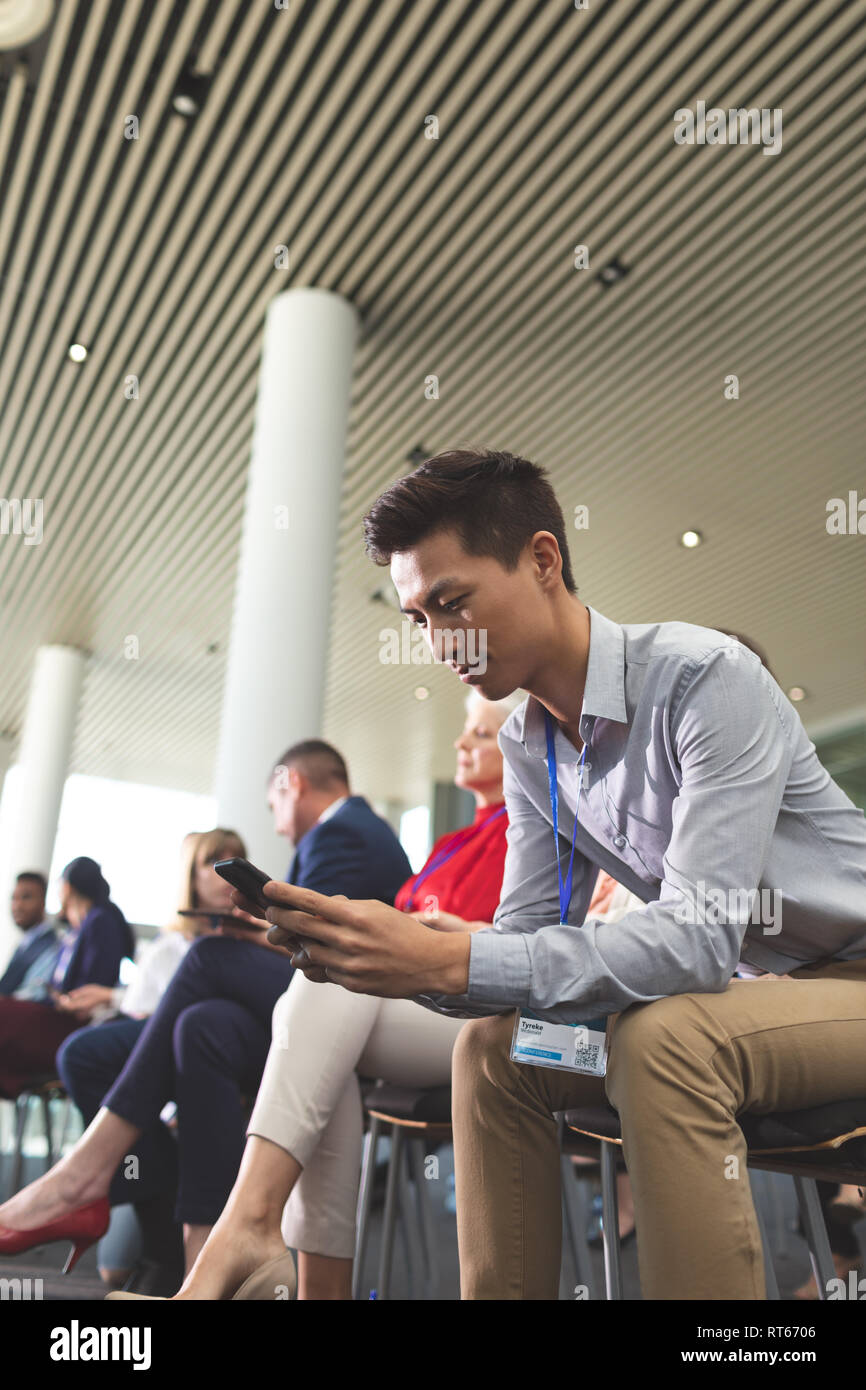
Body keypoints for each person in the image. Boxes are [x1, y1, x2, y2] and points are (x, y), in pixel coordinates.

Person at [250, 446, 866, 1301]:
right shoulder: (527, 745)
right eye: (419, 618)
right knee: (495, 1050)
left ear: (543, 560)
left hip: (850, 980)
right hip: (751, 994)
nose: (439, 642)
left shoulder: (705, 680)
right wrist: (399, 955)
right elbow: (526, 953)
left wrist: (449, 960)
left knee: (667, 1037)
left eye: (452, 602)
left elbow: (693, 937)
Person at [109, 688, 518, 1301]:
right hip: (417, 996)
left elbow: (533, 941)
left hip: (486, 1000)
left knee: (312, 978)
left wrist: (441, 934)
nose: (461, 743)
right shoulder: (452, 843)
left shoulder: (529, 831)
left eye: (481, 734)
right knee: (264, 1013)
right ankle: (279, 1262)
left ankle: (243, 1236)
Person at [0, 741, 411, 1278]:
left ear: (295, 784)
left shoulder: (343, 831)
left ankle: (85, 1176)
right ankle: (201, 1255)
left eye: (275, 807)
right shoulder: (348, 833)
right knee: (202, 1025)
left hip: (345, 1008)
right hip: (308, 1006)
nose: (281, 827)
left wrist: (256, 932)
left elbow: (323, 948)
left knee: (210, 954)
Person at [55, 827, 246, 1292]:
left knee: (130, 1269)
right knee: (115, 1271)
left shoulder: (256, 952)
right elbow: (143, 1054)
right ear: (190, 876)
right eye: (212, 863)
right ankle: (158, 1207)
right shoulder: (165, 950)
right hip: (158, 1118)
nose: (226, 875)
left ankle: (173, 1244)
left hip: (222, 1104)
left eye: (235, 862)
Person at [0, 858, 133, 1099]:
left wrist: (69, 1000)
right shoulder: (77, 927)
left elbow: (94, 985)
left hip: (75, 1023)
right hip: (62, 1014)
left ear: (68, 887)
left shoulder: (100, 921)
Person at [0, 871, 58, 1000]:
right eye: (14, 898)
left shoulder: (52, 945)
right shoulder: (25, 943)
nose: (17, 906)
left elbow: (35, 994)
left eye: (26, 897)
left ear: (43, 901)